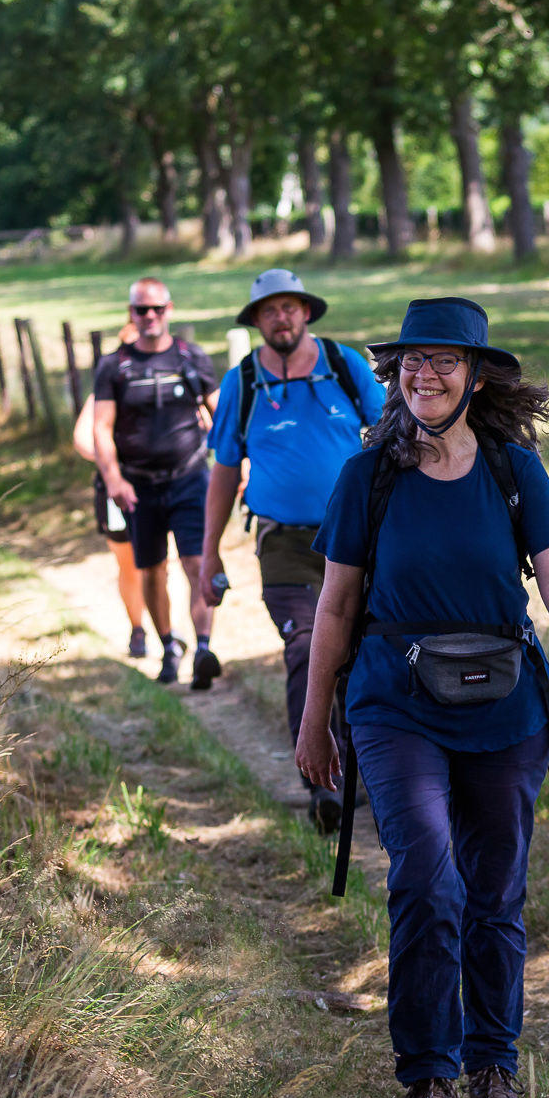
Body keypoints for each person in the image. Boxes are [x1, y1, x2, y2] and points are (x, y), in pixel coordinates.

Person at [297, 298, 549, 1098]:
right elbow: (335, 603)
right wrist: (312, 722)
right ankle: (430, 1082)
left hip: (506, 705)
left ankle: (493, 1072)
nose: (425, 374)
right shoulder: (367, 478)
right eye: (413, 360)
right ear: (396, 373)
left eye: (445, 360)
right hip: (394, 702)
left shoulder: (515, 470)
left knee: (495, 897)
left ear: (476, 376)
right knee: (427, 883)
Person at [201, 269, 386, 830]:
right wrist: (209, 553)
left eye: (290, 307)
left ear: (306, 312)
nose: (281, 317)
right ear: (256, 321)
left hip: (355, 541)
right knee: (306, 648)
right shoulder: (244, 381)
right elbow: (224, 468)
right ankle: (319, 787)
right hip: (282, 541)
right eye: (269, 310)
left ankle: (361, 775)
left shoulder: (345, 366)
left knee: (359, 656)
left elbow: (391, 437)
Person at [90, 277, 221, 686]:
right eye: (141, 310)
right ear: (130, 313)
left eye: (157, 309)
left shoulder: (191, 357)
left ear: (170, 310)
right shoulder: (114, 366)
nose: (150, 316)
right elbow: (101, 427)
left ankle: (202, 647)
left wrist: (239, 466)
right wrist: (113, 478)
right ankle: (169, 647)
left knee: (197, 564)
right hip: (137, 486)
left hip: (190, 478)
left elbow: (220, 415)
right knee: (151, 571)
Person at [73, 315, 154, 659]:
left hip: (165, 487)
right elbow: (81, 439)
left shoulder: (171, 382)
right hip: (116, 494)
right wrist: (114, 467)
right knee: (130, 564)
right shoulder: (106, 390)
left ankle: (170, 627)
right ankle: (138, 628)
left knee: (164, 562)